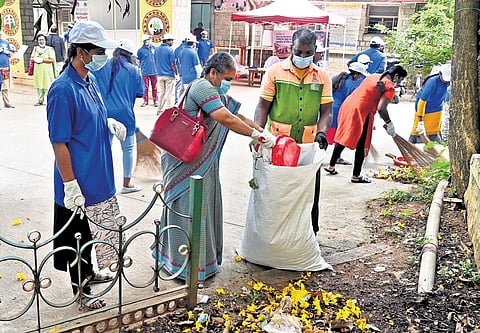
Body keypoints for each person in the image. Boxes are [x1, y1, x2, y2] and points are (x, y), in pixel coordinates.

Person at [153, 52, 275, 285]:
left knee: (203, 209)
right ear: (212, 73)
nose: (230, 82)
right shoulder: (202, 87)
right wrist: (255, 136)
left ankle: (201, 263)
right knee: (187, 210)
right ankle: (184, 267)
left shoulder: (216, 92)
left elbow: (235, 115)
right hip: (183, 160)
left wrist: (261, 132)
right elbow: (226, 120)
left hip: (201, 163)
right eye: (227, 77)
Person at [46, 20, 125, 310]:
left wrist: (107, 123)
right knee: (78, 238)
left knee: (94, 235)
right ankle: (81, 294)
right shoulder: (62, 90)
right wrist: (70, 185)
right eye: (99, 49)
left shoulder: (89, 81)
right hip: (78, 181)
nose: (103, 54)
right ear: (81, 51)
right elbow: (59, 141)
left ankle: (91, 272)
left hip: (99, 175)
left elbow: (88, 120)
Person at [254, 28, 333, 235]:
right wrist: (258, 133)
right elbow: (263, 106)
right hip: (278, 143)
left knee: (308, 191)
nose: (303, 57)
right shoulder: (275, 72)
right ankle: (274, 234)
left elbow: (327, 111)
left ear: (316, 51)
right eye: (299, 52)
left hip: (308, 145)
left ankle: (308, 234)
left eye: (308, 53)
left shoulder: (322, 76)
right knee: (278, 190)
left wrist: (322, 131)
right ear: (291, 48)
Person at [324, 64, 408, 183]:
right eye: (400, 80)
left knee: (343, 135)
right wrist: (389, 123)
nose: (399, 83)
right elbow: (381, 109)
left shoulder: (373, 76)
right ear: (396, 76)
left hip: (348, 105)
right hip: (361, 111)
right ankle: (356, 176)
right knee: (362, 143)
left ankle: (331, 166)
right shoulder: (389, 86)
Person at [93, 39, 144, 194]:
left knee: (104, 149)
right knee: (127, 149)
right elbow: (140, 93)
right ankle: (126, 184)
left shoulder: (101, 67)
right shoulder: (133, 70)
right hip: (126, 115)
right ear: (129, 55)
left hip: (104, 114)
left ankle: (102, 183)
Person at [326, 62, 368, 165]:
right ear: (357, 74)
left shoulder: (343, 78)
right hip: (339, 111)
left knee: (327, 135)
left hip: (331, 108)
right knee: (339, 136)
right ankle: (333, 158)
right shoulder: (354, 83)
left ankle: (329, 157)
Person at [409, 63, 451, 144]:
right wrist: (420, 120)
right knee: (417, 131)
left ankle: (437, 147)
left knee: (434, 131)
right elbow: (422, 102)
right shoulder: (432, 82)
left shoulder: (448, 82)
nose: (445, 80)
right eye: (444, 78)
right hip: (424, 109)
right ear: (440, 73)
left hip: (437, 108)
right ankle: (410, 146)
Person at [154, 33, 177, 115]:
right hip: (169, 75)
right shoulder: (170, 50)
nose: (172, 42)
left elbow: (155, 62)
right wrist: (176, 73)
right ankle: (169, 110)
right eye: (171, 40)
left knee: (161, 93)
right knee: (169, 94)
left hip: (160, 75)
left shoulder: (157, 49)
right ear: (167, 41)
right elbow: (173, 64)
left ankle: (160, 110)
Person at [31, 34, 56, 106]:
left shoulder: (50, 49)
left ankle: (47, 100)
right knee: (39, 85)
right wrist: (35, 59)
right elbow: (32, 58)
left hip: (47, 71)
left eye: (42, 40)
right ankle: (40, 100)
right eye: (39, 40)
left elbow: (52, 60)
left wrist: (42, 60)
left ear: (45, 40)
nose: (41, 41)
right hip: (38, 70)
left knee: (47, 85)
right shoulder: (35, 49)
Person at [136, 34, 158, 107]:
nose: (148, 41)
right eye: (147, 40)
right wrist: (140, 67)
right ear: (144, 41)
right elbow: (138, 60)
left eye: (149, 39)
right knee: (145, 87)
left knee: (154, 87)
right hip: (145, 71)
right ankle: (145, 101)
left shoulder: (154, 48)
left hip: (154, 71)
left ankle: (155, 101)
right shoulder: (140, 50)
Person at [0, 30, 14, 108]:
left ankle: (7, 103)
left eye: (1, 34)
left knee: (5, 86)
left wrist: (8, 53)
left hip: (5, 67)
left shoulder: (6, 42)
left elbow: (10, 53)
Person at [173, 35, 188, 103]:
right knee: (186, 88)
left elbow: (174, 62)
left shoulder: (177, 49)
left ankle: (177, 101)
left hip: (179, 70)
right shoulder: (188, 50)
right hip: (187, 72)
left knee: (178, 87)